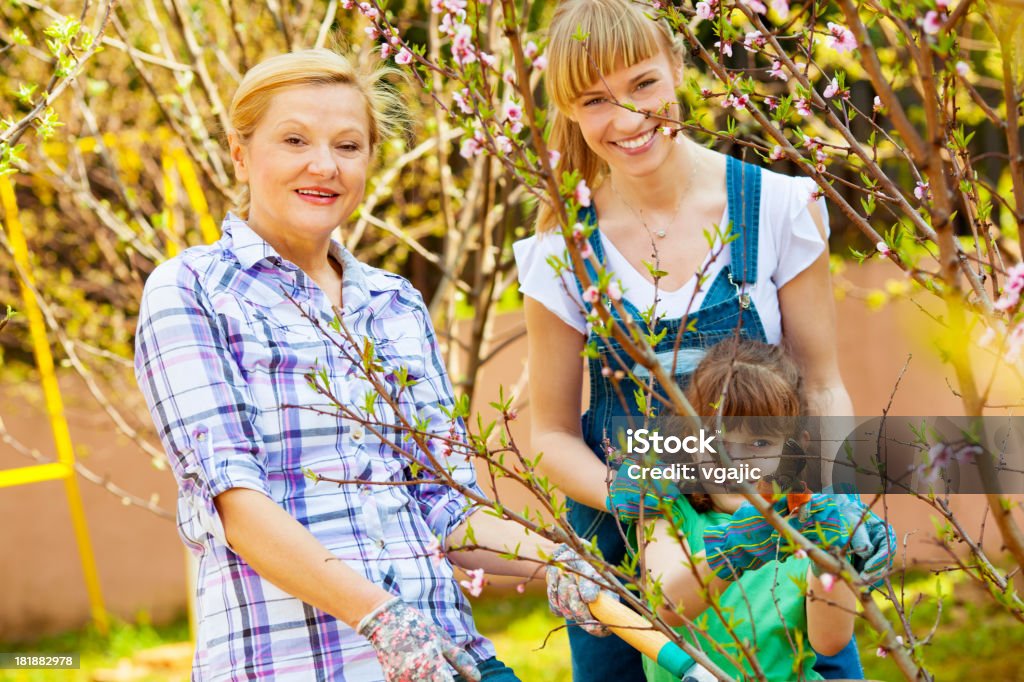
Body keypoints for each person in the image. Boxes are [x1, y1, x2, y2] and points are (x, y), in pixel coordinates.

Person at [134, 49, 594, 682]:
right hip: (295, 668)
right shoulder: (191, 290)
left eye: (348, 146)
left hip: (452, 658)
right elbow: (233, 503)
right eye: (294, 139)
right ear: (240, 154)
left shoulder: (395, 303)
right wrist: (379, 617)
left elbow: (447, 504)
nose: (324, 165)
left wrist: (563, 562)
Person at [512, 1, 882, 679]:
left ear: (677, 67)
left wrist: (836, 501)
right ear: (566, 108)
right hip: (623, 547)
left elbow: (822, 382)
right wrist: (644, 498)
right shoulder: (559, 249)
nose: (626, 119)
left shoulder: (776, 206)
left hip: (774, 524)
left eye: (643, 85)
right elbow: (552, 436)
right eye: (595, 99)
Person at [628, 339, 860, 681]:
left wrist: (831, 554)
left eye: (760, 443)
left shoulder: (804, 527)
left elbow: (830, 642)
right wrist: (737, 547)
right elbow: (668, 606)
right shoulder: (667, 514)